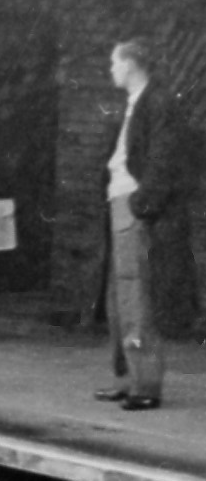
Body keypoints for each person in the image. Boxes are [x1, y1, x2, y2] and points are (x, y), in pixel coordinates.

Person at [97, 38, 195, 411]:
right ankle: (128, 378)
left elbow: (165, 157)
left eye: (114, 62)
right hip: (120, 202)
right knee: (118, 299)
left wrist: (142, 202)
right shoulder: (136, 103)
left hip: (132, 206)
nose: (111, 70)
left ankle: (146, 384)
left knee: (135, 295)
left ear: (131, 64)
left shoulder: (157, 102)